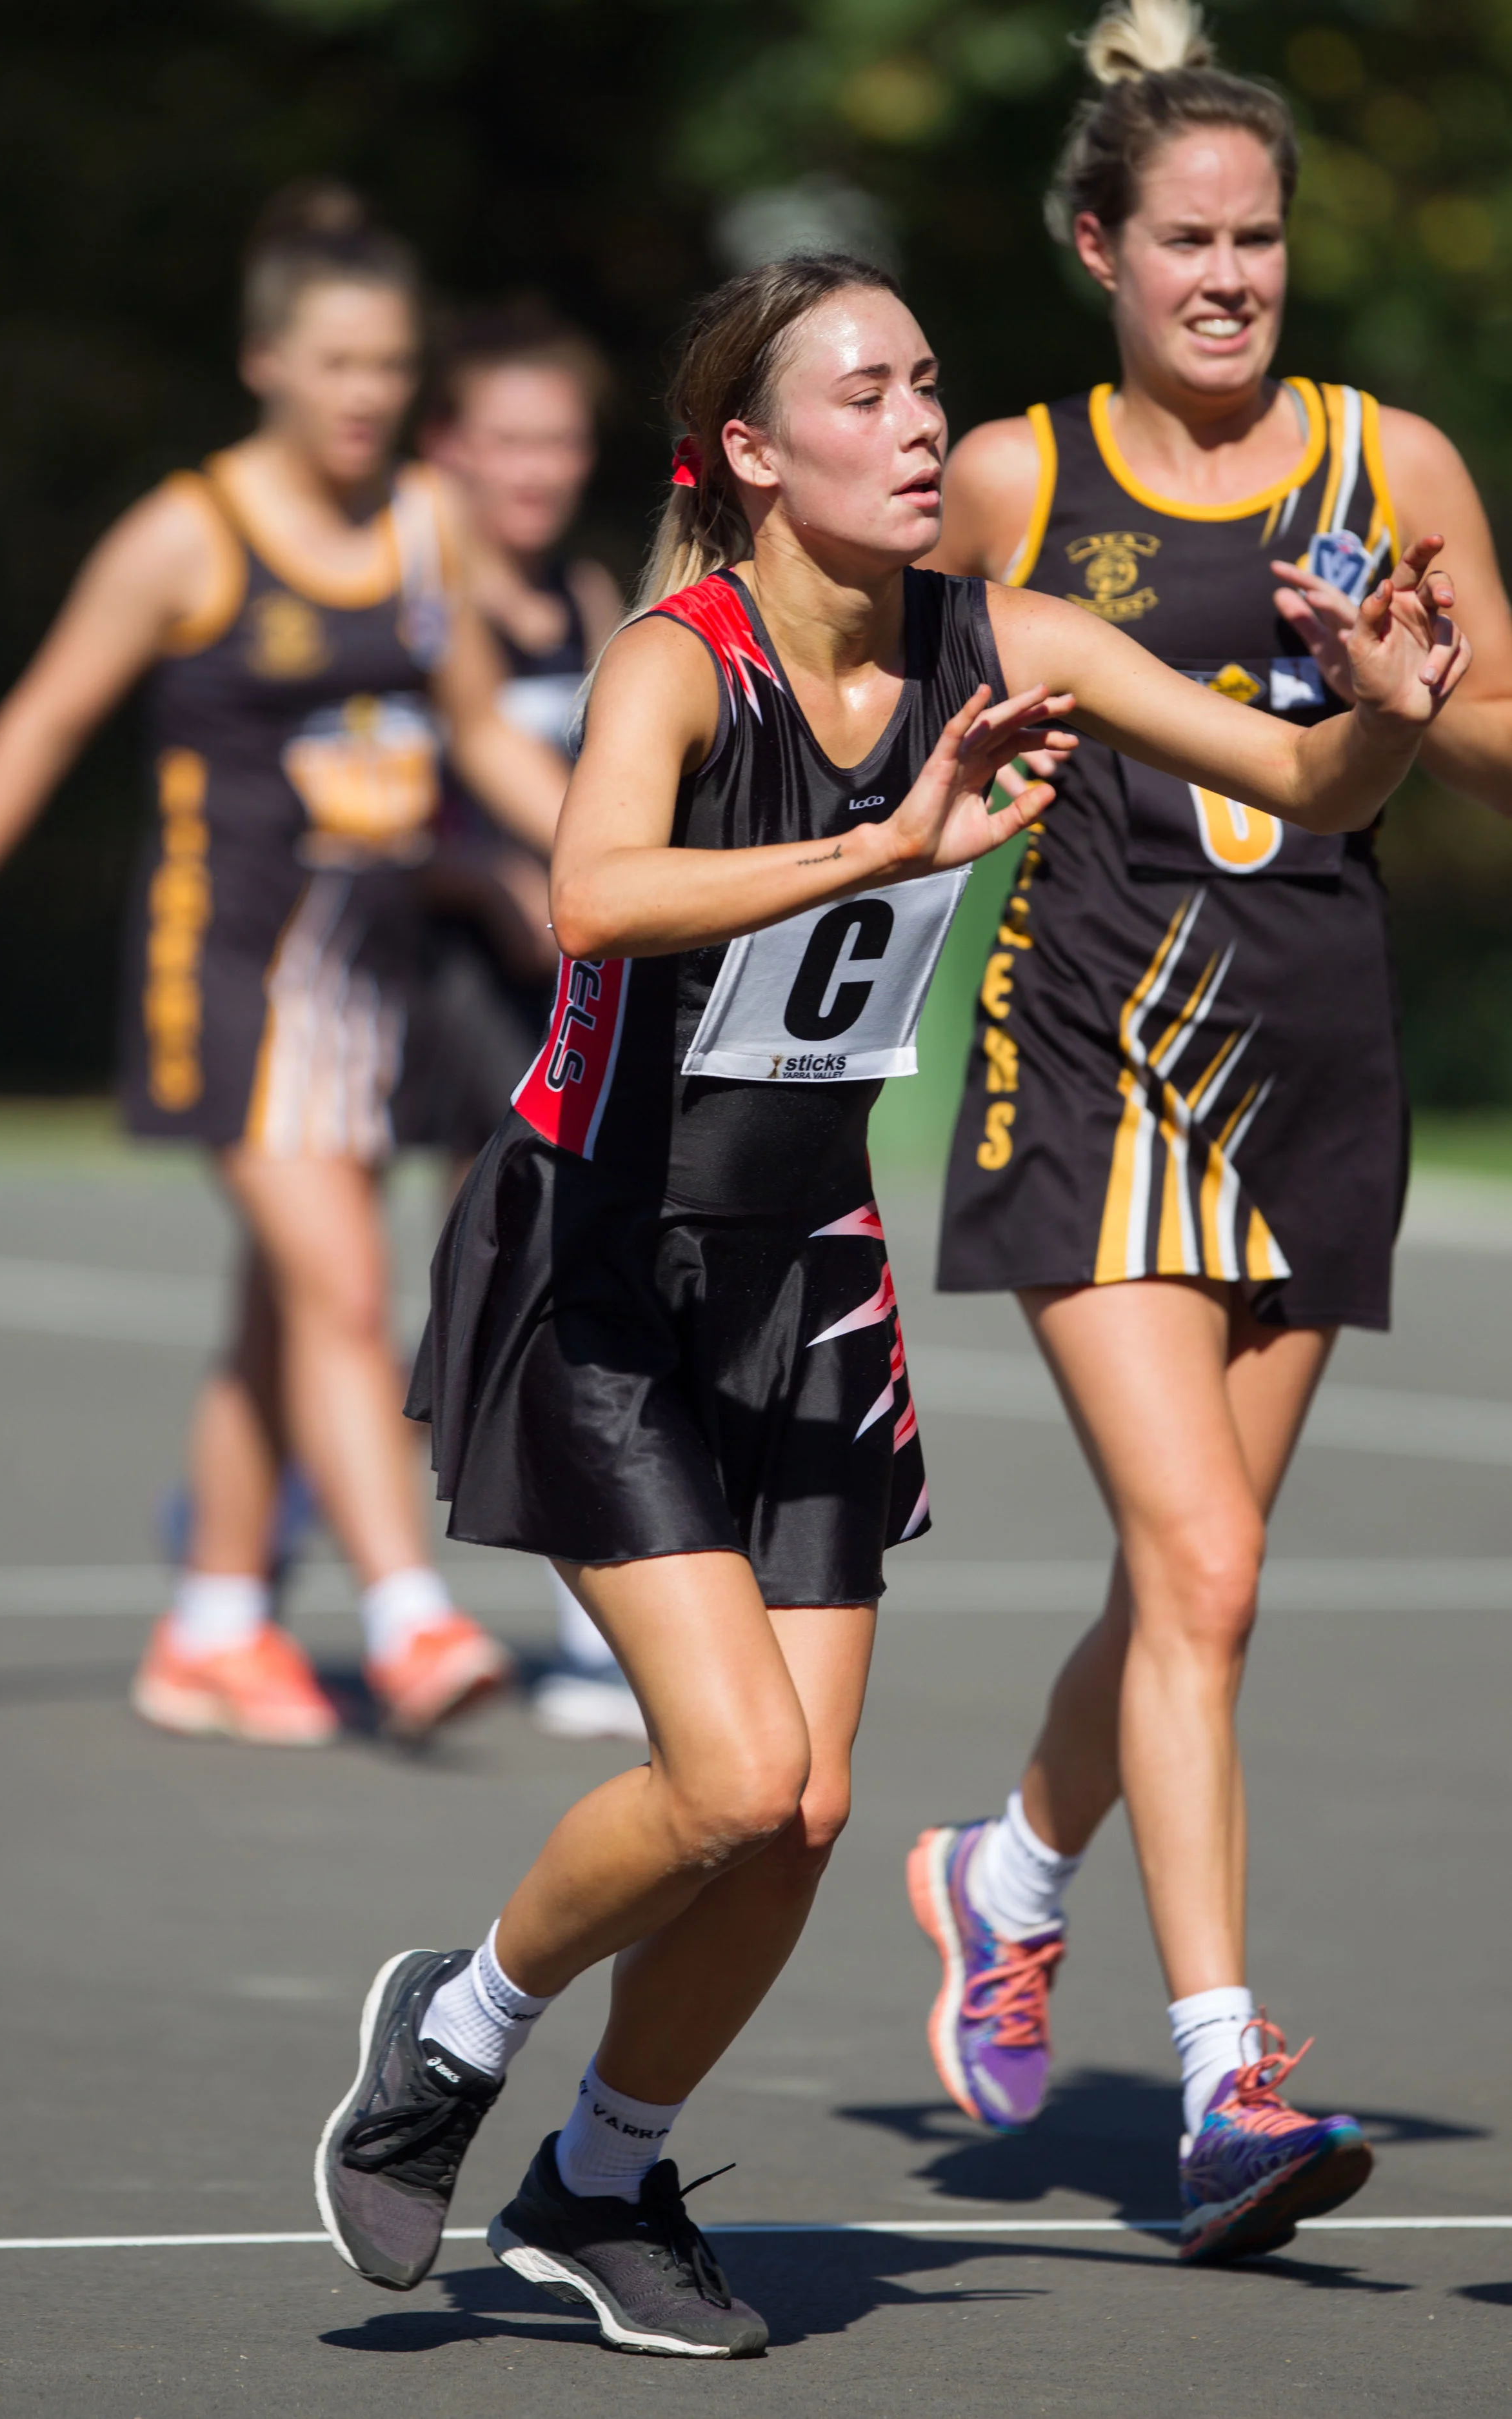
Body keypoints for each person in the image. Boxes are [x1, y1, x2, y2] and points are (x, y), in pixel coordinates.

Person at [310, 250, 1462, 2354]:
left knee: (808, 1816)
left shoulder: (1002, 632)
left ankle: (603, 2176)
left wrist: (1380, 712)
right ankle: (455, 2033)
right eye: (867, 394)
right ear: (753, 452)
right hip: (604, 1257)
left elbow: (1296, 796)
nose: (924, 424)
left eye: (932, 384)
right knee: (736, 1773)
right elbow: (594, 896)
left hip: (807, 1278)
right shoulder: (687, 659)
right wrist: (885, 846)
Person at [908, 0, 1512, 2264]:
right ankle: (1225, 2081)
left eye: (1261, 238)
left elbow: (1499, 752)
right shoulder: (1014, 480)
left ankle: (1002, 1873)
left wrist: (1418, 703)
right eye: (1189, 239)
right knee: (1214, 1576)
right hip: (1085, 1057)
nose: (1233, 276)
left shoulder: (1396, 463)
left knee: (1191, 1578)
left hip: (1318, 1059)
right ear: (1100, 248)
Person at [0, 182, 567, 1747]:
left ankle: (209, 1620)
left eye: (391, 365)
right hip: (222, 973)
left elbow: (476, 728)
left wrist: (607, 866)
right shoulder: (185, 536)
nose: (366, 394)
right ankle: (408, 1622)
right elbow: (41, 722)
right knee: (340, 1286)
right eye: (337, 363)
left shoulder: (421, 525)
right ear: (265, 362)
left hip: (360, 981)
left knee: (285, 1303)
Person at [421, 304, 644, 1742]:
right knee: (432, 1299)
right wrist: (525, 876)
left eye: (558, 439)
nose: (537, 468)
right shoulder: (420, 592)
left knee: (541, 1291)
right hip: (431, 975)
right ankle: (244, 1563)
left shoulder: (583, 593)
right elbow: (420, 777)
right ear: (449, 448)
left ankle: (588, 1624)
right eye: (507, 440)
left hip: (551, 978)